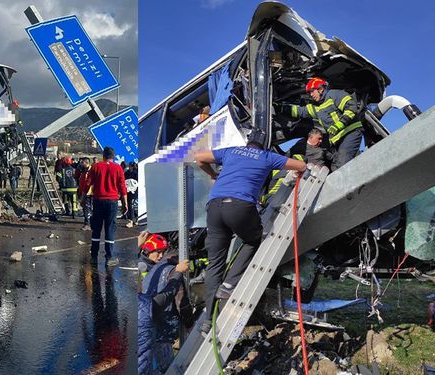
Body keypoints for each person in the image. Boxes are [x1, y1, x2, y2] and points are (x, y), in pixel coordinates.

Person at [194, 138, 306, 333]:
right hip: (240, 207)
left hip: (214, 208)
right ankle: (229, 284)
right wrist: (298, 170)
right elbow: (301, 165)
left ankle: (207, 319)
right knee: (253, 240)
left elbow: (199, 157)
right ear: (261, 148)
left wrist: (213, 175)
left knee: (215, 264)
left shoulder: (230, 151)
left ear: (246, 146)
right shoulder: (266, 156)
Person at [278, 77, 363, 171]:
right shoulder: (316, 107)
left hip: (350, 133)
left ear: (320, 89)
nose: (311, 95)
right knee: (334, 167)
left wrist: (339, 125)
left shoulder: (335, 94)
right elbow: (299, 111)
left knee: (341, 165)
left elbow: (351, 108)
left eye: (312, 91)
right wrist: (280, 108)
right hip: (337, 139)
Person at [137, 231, 191, 375]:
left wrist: (139, 246)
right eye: (157, 252)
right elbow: (176, 300)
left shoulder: (150, 266)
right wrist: (189, 323)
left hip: (151, 326)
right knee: (167, 366)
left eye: (162, 252)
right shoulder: (170, 270)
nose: (160, 256)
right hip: (161, 326)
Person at [82, 147, 127, 267]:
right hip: (112, 201)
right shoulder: (118, 168)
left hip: (98, 200)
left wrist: (83, 198)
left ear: (103, 155)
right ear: (113, 156)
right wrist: (125, 203)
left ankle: (94, 256)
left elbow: (88, 184)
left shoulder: (96, 166)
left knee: (96, 229)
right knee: (109, 229)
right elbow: (122, 187)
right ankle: (109, 257)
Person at [76, 158, 93, 231]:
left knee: (88, 209)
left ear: (86, 163)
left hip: (90, 193)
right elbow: (78, 179)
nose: (80, 164)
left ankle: (88, 224)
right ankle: (87, 223)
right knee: (86, 209)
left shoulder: (92, 171)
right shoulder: (83, 171)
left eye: (82, 163)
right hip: (83, 192)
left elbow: (88, 183)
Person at [125, 161, 138, 228]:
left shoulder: (136, 173)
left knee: (131, 205)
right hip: (127, 191)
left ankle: (131, 221)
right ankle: (136, 217)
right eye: (129, 166)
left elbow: (137, 183)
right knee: (130, 205)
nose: (130, 167)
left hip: (133, 192)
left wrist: (133, 187)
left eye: (131, 166)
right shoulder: (126, 173)